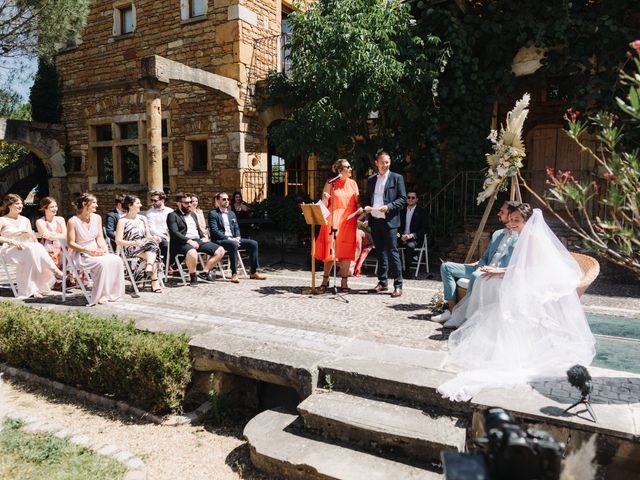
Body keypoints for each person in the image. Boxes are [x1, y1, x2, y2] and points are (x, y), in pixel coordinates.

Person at [437, 205, 596, 402]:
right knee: (488, 287)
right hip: (523, 281)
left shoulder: (532, 238)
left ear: (527, 221)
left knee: (497, 300)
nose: (512, 223)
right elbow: (519, 266)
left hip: (532, 286)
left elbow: (530, 269)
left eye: (516, 220)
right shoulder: (523, 236)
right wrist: (499, 272)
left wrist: (500, 272)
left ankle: (517, 351)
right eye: (511, 219)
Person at [431, 200, 515, 324]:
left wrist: (491, 270)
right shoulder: (497, 234)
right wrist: (480, 265)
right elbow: (486, 256)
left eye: (502, 211)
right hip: (482, 268)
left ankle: (465, 316)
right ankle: (452, 311)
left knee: (476, 276)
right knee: (446, 267)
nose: (498, 214)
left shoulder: (520, 237)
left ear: (510, 215)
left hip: (497, 273)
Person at [0, 194, 64, 298]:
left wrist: (31, 239)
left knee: (34, 247)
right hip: (9, 249)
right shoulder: (2, 220)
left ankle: (34, 288)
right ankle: (54, 271)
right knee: (32, 249)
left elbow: (32, 238)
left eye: (21, 203)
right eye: (17, 204)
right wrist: (11, 240)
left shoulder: (25, 220)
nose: (20, 206)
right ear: (9, 205)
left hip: (26, 247)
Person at [67, 193, 125, 305]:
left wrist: (103, 248)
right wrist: (87, 251)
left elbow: (99, 237)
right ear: (85, 204)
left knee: (116, 260)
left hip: (96, 249)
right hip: (81, 253)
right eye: (94, 203)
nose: (97, 205)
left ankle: (112, 293)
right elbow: (71, 243)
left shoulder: (97, 218)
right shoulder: (72, 221)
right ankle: (100, 294)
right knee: (101, 264)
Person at [313, 159, 360, 292]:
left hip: (349, 221)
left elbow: (357, 202)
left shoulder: (353, 184)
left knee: (346, 252)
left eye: (351, 166)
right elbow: (324, 201)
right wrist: (325, 198)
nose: (350, 169)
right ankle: (325, 280)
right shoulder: (331, 183)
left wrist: (361, 211)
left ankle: (344, 283)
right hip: (333, 220)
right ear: (340, 171)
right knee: (331, 251)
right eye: (348, 167)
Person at [364, 151, 407, 298]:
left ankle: (398, 285)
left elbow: (403, 198)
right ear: (376, 163)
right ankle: (382, 282)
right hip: (375, 220)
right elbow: (367, 199)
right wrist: (367, 208)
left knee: (392, 252)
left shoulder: (396, 178)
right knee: (380, 252)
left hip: (390, 221)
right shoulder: (371, 180)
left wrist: (389, 206)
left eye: (387, 162)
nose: (385, 165)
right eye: (382, 162)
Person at [167, 192, 225, 286]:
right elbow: (174, 233)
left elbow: (197, 229)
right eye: (186, 203)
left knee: (220, 250)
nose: (189, 204)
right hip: (181, 242)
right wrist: (188, 241)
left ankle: (204, 272)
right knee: (192, 252)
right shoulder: (173, 215)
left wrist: (203, 237)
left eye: (190, 202)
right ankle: (193, 276)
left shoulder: (193, 215)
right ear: (178, 203)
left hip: (197, 240)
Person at [208, 192, 266, 283]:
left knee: (253, 243)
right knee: (233, 244)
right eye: (224, 199)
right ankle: (234, 273)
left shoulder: (231, 213)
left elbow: (236, 228)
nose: (226, 201)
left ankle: (253, 272)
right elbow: (214, 231)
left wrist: (238, 237)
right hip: (220, 240)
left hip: (233, 239)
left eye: (227, 199)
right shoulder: (213, 214)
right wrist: (229, 239)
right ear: (218, 201)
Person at [115, 195, 163, 293]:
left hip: (145, 247)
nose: (140, 205)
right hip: (130, 248)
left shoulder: (142, 218)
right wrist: (134, 243)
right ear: (130, 205)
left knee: (153, 244)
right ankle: (154, 281)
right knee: (154, 251)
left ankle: (149, 266)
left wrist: (154, 237)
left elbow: (148, 236)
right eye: (138, 203)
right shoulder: (122, 221)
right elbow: (118, 241)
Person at [35, 196, 68, 287]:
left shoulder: (60, 219)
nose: (55, 209)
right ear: (45, 208)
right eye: (52, 207)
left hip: (62, 244)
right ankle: (55, 278)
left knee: (72, 250)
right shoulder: (40, 221)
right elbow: (46, 235)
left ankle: (70, 277)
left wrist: (54, 236)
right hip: (48, 246)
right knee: (51, 250)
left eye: (56, 206)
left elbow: (65, 235)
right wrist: (58, 236)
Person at [398, 189, 427, 276]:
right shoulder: (401, 212)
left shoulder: (422, 212)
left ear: (416, 199)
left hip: (414, 239)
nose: (410, 199)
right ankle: (396, 270)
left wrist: (411, 235)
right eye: (408, 197)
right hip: (401, 237)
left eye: (413, 197)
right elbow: (398, 226)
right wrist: (398, 233)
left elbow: (425, 228)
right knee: (391, 245)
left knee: (409, 246)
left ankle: (406, 271)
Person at [144, 190, 172, 263]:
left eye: (155, 200)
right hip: (157, 236)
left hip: (170, 234)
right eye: (152, 200)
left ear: (162, 200)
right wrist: (163, 235)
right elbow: (151, 229)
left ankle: (173, 264)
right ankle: (167, 265)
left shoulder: (170, 211)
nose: (153, 202)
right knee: (166, 245)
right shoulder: (150, 213)